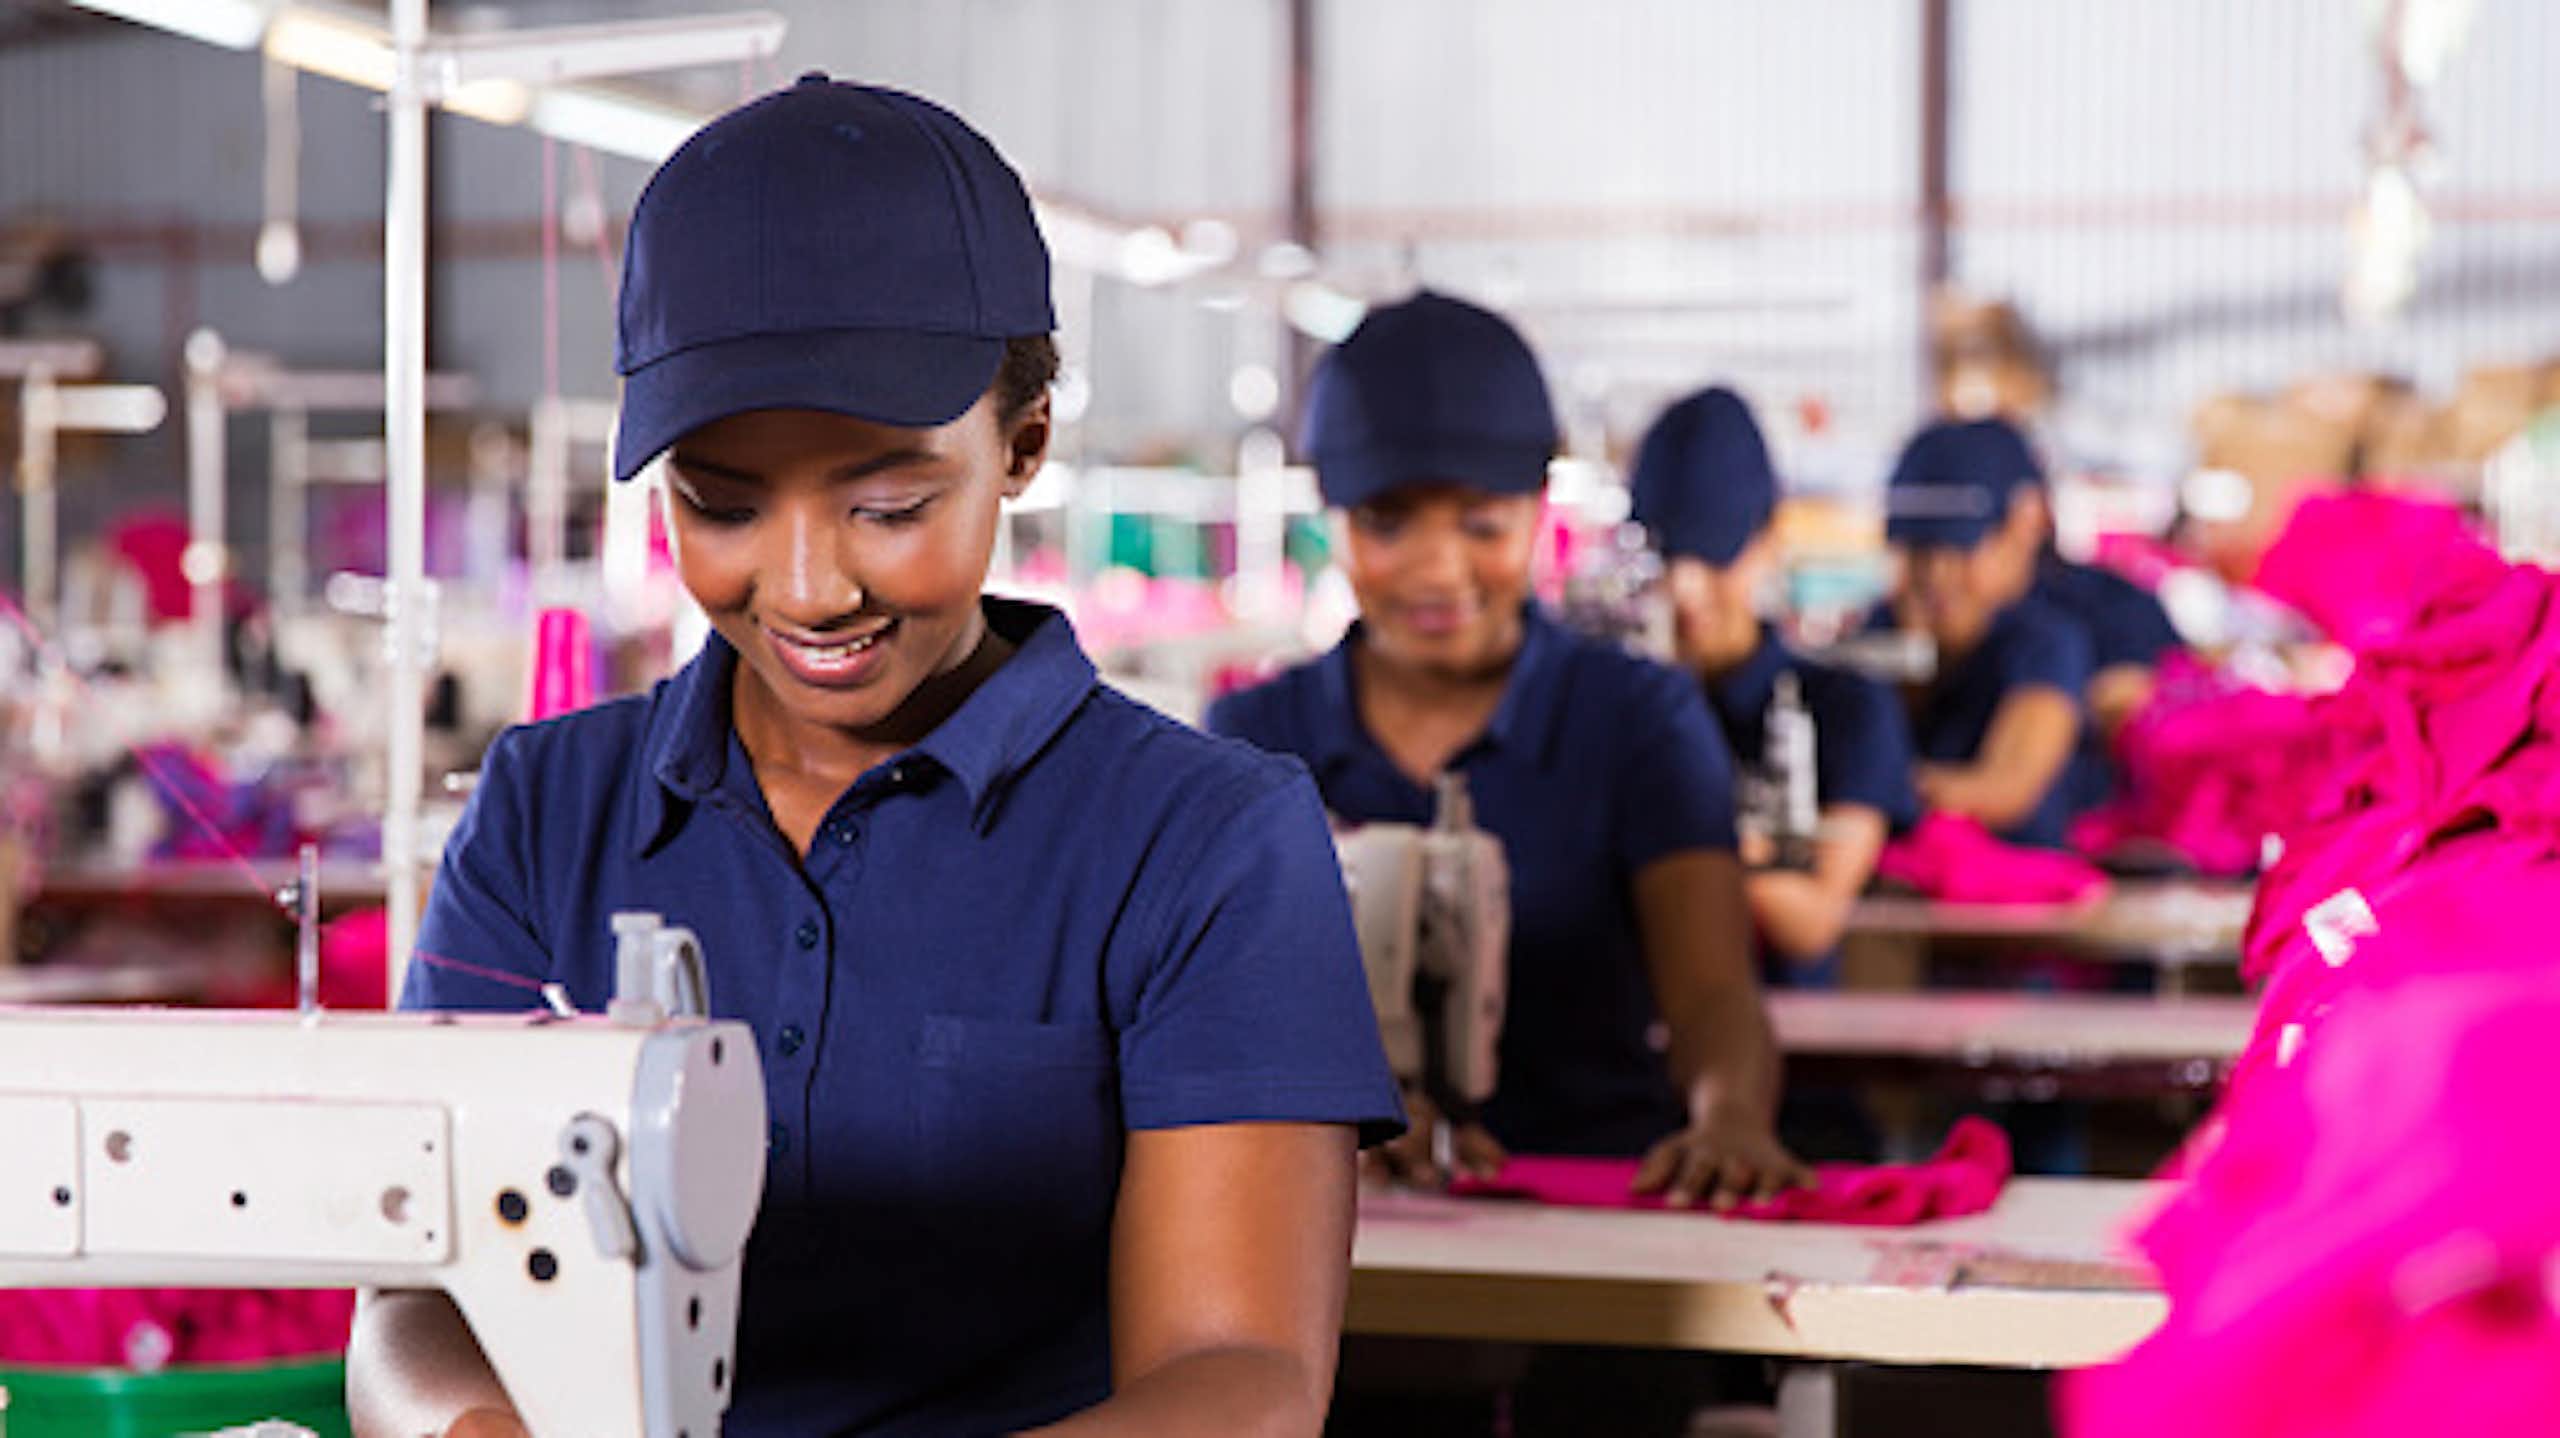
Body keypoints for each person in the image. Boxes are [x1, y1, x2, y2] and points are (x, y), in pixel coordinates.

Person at [349, 76, 1401, 1438]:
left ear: (1022, 444)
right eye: (718, 505)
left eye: (889, 504)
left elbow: (1239, 1379)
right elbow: (411, 1303)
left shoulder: (1203, 840)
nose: (804, 586)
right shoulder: (548, 807)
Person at [1206, 293, 1807, 1206]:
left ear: (1538, 509)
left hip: (1602, 1217)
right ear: (1331, 514)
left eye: (1482, 523)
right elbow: (1216, 1027)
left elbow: (1712, 994)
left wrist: (1727, 1118)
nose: (1438, 569)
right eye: (1386, 522)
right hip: (1335, 1235)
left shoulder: (1638, 719)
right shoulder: (1252, 742)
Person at [1628, 386, 1918, 978]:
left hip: (1794, 1054)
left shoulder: (1848, 710)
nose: (1685, 588)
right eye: (1667, 560)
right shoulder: (1615, 704)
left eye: (1714, 558)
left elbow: (1811, 923)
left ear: (1770, 538)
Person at [1879, 418, 2094, 850]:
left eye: (1960, 549)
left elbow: (2007, 790)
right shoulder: (1879, 632)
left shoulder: (2042, 643)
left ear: (2021, 527)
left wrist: (1861, 796)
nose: (1937, 575)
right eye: (1918, 550)